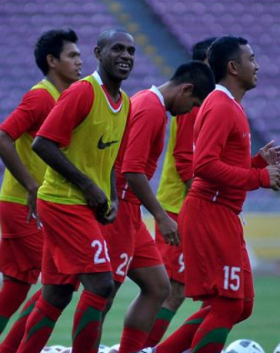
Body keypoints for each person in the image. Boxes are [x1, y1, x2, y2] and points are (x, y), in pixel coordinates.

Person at [154, 36, 280, 353]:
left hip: (223, 213)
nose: (257, 65)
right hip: (210, 213)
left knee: (241, 306)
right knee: (225, 307)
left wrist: (256, 163)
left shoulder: (230, 105)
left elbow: (220, 163)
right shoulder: (220, 105)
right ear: (233, 67)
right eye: (251, 59)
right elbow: (205, 165)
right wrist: (258, 177)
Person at [14, 29, 135, 353]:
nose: (125, 56)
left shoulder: (123, 103)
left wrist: (109, 196)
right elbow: (42, 142)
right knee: (101, 285)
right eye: (117, 49)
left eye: (131, 51)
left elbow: (108, 158)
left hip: (81, 204)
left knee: (56, 294)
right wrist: (86, 185)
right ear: (98, 53)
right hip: (63, 202)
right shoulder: (82, 92)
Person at [0, 29, 82, 353]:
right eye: (72, 55)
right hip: (24, 205)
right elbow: (1, 138)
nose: (79, 61)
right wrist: (31, 185)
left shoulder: (64, 98)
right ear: (51, 61)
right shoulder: (41, 97)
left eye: (79, 55)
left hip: (26, 205)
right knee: (59, 285)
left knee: (15, 291)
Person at [103, 61, 216, 353]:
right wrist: (161, 216)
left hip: (130, 210)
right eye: (193, 104)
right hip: (122, 209)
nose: (190, 111)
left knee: (159, 287)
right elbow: (132, 170)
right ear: (186, 89)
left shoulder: (148, 102)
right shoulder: (151, 108)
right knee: (102, 293)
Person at [145, 37, 217, 347]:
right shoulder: (192, 103)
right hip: (180, 208)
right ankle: (146, 346)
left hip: (191, 208)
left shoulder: (208, 101)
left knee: (210, 290)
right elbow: (186, 160)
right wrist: (206, 205)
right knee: (172, 290)